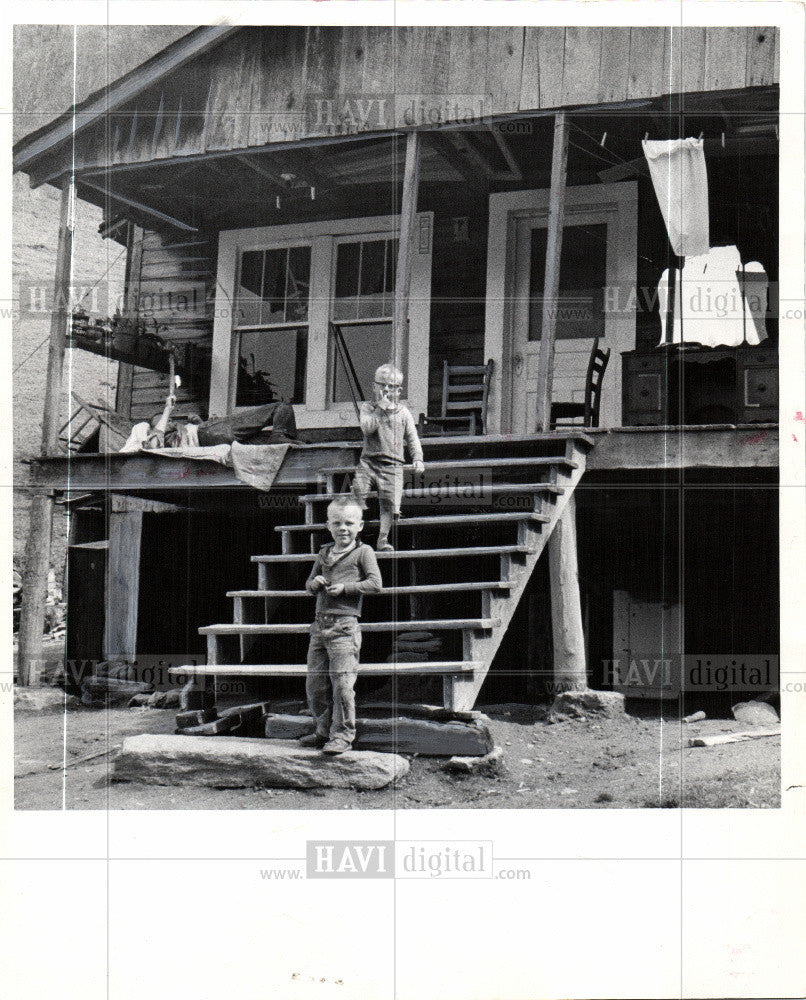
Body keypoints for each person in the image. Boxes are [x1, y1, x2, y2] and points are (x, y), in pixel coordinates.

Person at [300, 497, 382, 755]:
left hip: (344, 628)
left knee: (343, 685)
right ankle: (322, 730)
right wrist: (314, 584)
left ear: (360, 526)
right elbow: (310, 583)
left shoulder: (363, 552)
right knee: (315, 685)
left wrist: (346, 588)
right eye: (337, 523)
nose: (343, 528)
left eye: (349, 522)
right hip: (319, 627)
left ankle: (343, 735)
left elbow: (375, 583)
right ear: (328, 525)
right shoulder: (324, 552)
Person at [351, 363, 425, 551]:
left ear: (399, 391)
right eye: (381, 384)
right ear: (374, 387)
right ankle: (354, 540)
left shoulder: (403, 413)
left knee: (390, 504)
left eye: (391, 386)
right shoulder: (368, 408)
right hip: (368, 462)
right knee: (358, 495)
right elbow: (367, 429)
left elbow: (412, 438)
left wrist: (417, 457)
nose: (385, 389)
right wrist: (380, 409)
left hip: (393, 465)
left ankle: (383, 540)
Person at [119, 397, 297, 451]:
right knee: (281, 407)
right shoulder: (142, 429)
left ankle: (279, 437)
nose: (171, 423)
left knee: (273, 441)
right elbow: (154, 443)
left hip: (208, 435)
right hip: (207, 434)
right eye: (167, 422)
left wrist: (199, 424)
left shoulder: (173, 434)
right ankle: (279, 435)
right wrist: (166, 410)